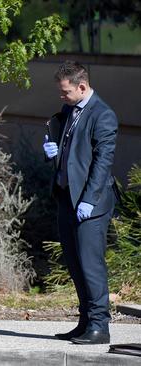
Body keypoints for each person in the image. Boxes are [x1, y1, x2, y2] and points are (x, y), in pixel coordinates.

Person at [42, 61, 118, 345]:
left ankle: (100, 326)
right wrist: (52, 150)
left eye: (65, 91)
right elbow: (69, 151)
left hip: (91, 203)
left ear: (82, 87)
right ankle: (85, 322)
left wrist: (87, 201)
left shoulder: (103, 115)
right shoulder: (69, 111)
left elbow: (102, 164)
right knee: (74, 263)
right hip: (66, 197)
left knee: (90, 264)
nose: (61, 96)